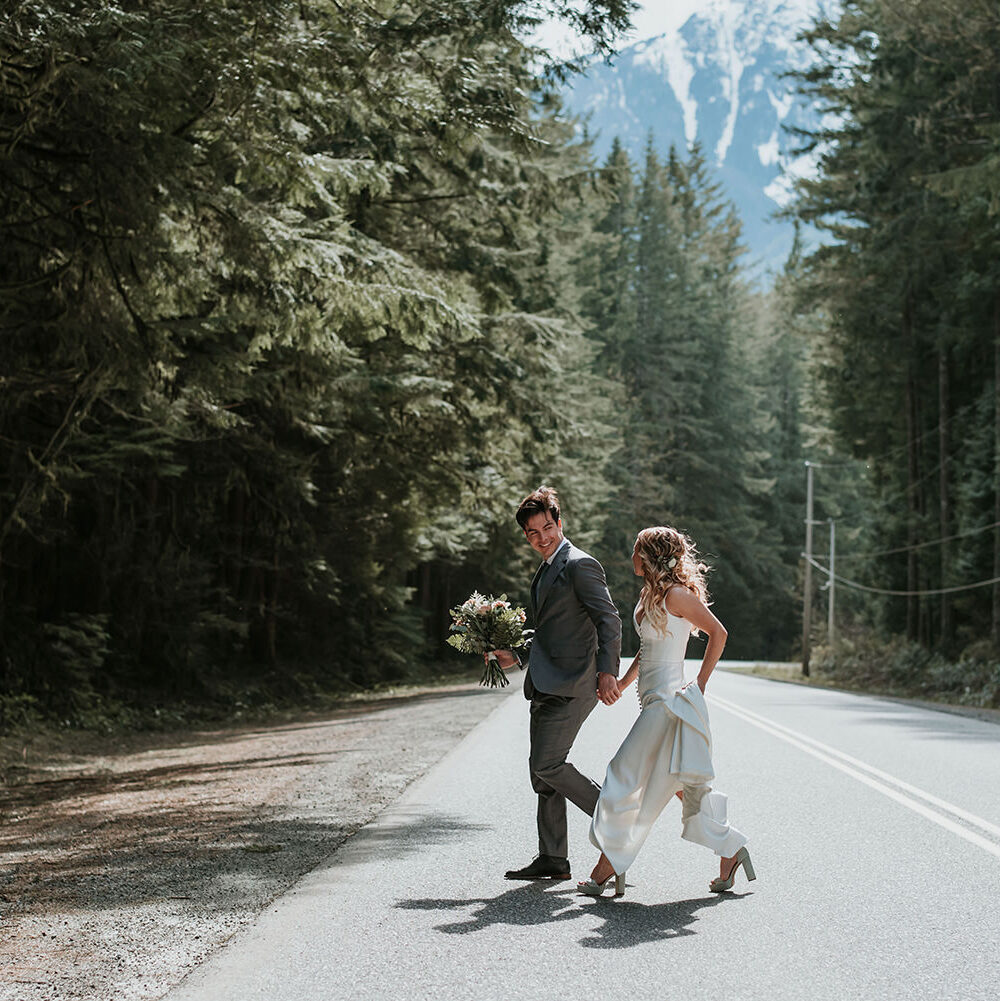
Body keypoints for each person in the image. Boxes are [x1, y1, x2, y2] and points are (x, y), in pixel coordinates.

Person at [578, 526, 754, 899]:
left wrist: (701, 684)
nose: (631, 557)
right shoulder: (650, 593)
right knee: (676, 786)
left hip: (668, 703)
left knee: (624, 775)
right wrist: (624, 685)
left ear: (649, 556)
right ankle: (731, 849)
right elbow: (648, 647)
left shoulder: (677, 595)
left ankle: (608, 865)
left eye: (636, 550)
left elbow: (718, 633)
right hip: (650, 698)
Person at [491, 486, 622, 881]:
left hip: (575, 684)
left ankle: (615, 816)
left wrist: (607, 671)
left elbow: (609, 621)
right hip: (546, 682)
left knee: (549, 764)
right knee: (540, 773)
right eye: (533, 533)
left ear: (559, 523)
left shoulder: (580, 564)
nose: (542, 537)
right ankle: (553, 858)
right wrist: (514, 654)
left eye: (547, 527)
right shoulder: (547, 567)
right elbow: (550, 632)